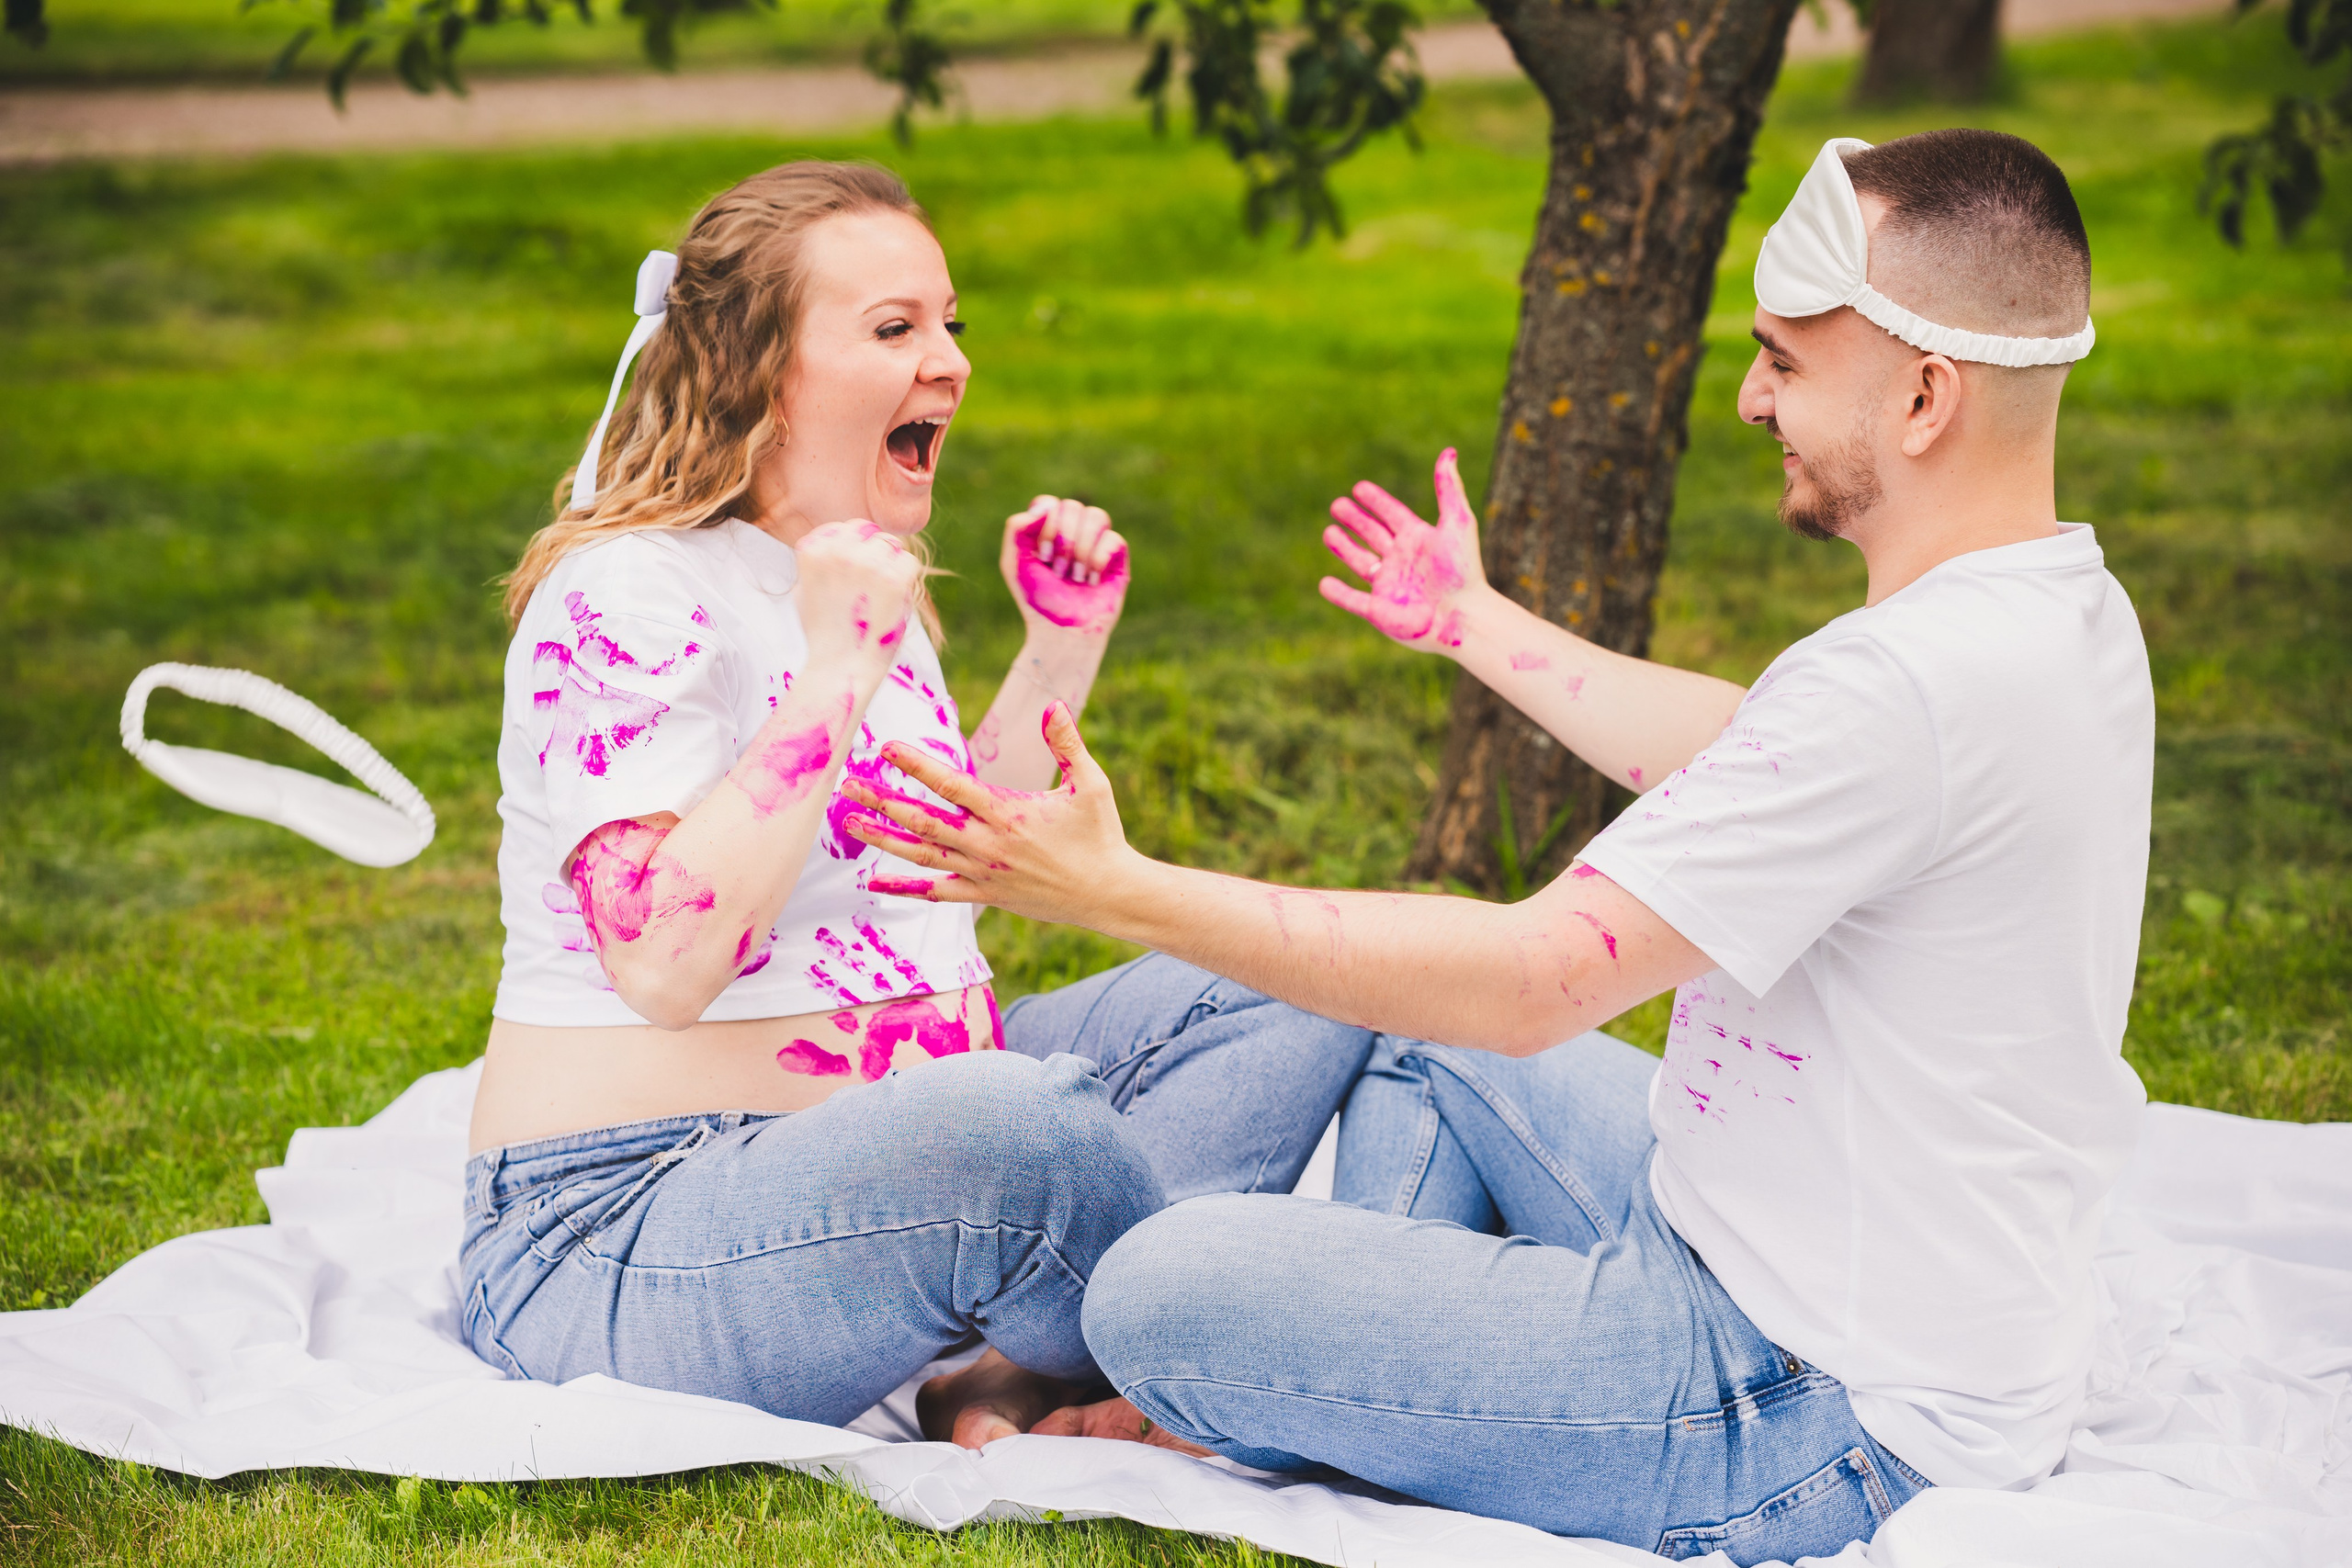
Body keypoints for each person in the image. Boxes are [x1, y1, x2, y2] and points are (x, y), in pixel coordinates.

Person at [846, 129, 2154, 1563]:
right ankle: (1400, 1364)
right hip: (1827, 1277)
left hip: (1810, 1410)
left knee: (1156, 1292)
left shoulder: (1904, 685)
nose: (1748, 395)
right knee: (1424, 1053)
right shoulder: (2057, 613)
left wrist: (1119, 890)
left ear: (1922, 396)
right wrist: (1469, 618)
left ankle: (1323, 1379)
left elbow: (1537, 979)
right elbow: (1755, 745)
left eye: (1784, 359)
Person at [460, 161, 1369, 1449]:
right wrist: (837, 664)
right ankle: (1252, 1358)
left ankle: (1022, 1359)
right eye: (895, 328)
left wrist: (1058, 647)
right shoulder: (627, 593)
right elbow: (663, 960)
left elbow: (926, 867)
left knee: (1305, 965)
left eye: (950, 322)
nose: (948, 361)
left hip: (887, 1170)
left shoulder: (857, 578)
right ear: (754, 368)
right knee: (1013, 1131)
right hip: (628, 1227)